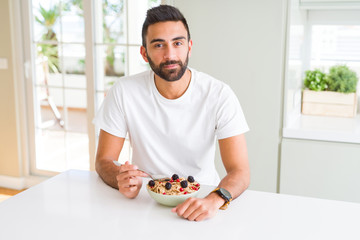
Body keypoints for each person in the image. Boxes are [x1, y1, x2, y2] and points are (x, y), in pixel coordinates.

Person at [94, 5, 250, 222]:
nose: (170, 55)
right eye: (159, 45)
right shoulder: (123, 91)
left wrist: (215, 199)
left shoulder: (219, 94)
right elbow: (104, 160)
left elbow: (240, 171)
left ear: (189, 47)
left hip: (203, 200)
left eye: (178, 43)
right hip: (143, 202)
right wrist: (120, 178)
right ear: (144, 52)